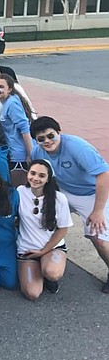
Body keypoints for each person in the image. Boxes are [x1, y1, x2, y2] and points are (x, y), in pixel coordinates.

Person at [30, 116, 109, 293]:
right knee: (39, 218)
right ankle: (45, 258)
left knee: (99, 239)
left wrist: (97, 211)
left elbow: (104, 175)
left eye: (51, 136)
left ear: (59, 132)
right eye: (41, 139)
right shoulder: (37, 152)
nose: (47, 141)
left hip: (91, 192)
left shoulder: (77, 147)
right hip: (64, 191)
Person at [16, 160, 73, 299]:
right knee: (32, 294)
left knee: (52, 273)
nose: (35, 178)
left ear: (48, 179)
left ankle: (48, 274)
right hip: (27, 249)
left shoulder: (59, 198)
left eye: (41, 175)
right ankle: (38, 269)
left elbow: (62, 229)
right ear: (27, 174)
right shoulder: (20, 191)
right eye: (32, 173)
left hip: (51, 248)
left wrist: (42, 252)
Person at [0, 74, 33, 187]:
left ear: (9, 89)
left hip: (20, 155)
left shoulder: (11, 104)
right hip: (15, 152)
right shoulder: (6, 101)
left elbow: (25, 129)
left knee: (19, 189)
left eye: (1, 87)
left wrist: (30, 154)